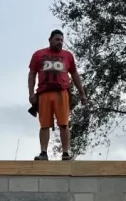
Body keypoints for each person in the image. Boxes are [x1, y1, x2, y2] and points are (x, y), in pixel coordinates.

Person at [28, 29, 86, 160]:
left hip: (62, 93)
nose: (59, 42)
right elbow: (32, 74)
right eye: (57, 39)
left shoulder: (68, 56)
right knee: (44, 125)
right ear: (50, 40)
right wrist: (31, 93)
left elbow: (75, 74)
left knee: (64, 124)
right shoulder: (38, 55)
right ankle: (43, 152)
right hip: (44, 93)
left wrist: (82, 93)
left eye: (61, 40)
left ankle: (65, 153)